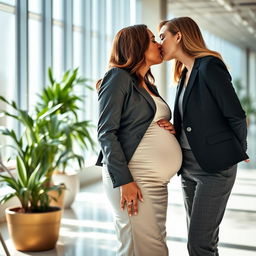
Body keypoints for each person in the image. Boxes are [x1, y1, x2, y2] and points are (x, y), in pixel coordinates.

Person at [157, 17, 249, 256]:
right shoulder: (184, 74)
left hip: (215, 168)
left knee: (198, 244)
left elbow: (235, 114)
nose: (159, 43)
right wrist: (176, 129)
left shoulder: (209, 66)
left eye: (162, 37)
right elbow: (198, 118)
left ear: (178, 37)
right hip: (188, 167)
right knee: (203, 241)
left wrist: (239, 149)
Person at [96, 24, 182, 256]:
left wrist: (169, 129)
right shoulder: (117, 77)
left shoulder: (147, 84)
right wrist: (124, 181)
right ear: (137, 46)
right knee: (142, 247)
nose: (159, 44)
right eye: (153, 39)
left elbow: (142, 123)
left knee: (152, 243)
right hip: (134, 178)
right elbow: (106, 132)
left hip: (154, 181)